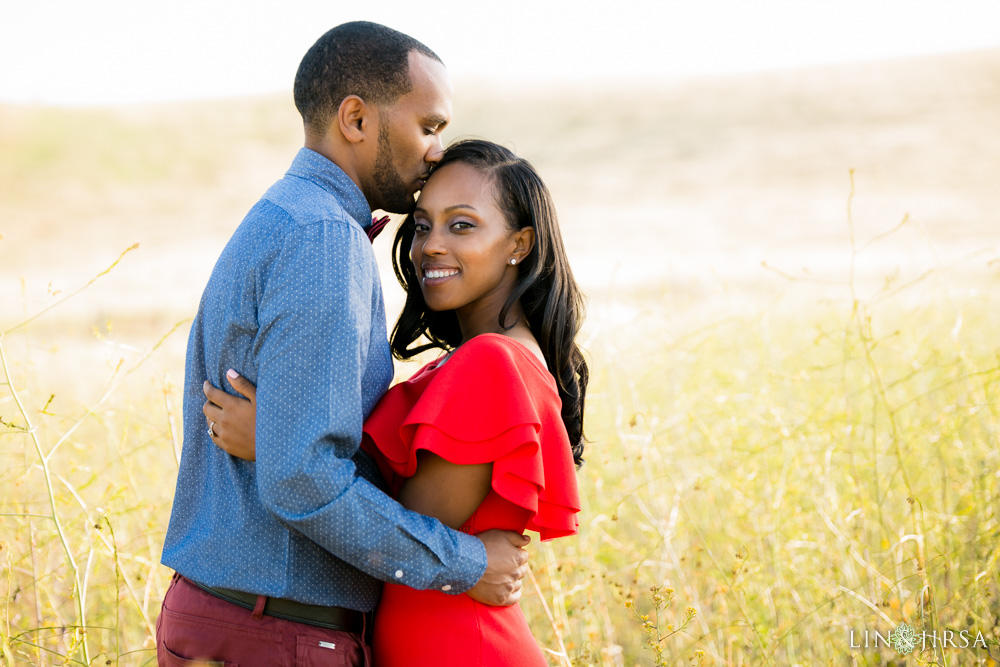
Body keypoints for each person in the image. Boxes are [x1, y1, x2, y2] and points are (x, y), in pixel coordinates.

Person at [157, 23, 530, 666]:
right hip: (275, 632)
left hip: (234, 618)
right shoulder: (323, 239)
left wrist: (275, 437)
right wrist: (468, 564)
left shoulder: (284, 215)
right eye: (429, 126)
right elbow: (302, 477)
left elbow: (294, 457)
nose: (437, 150)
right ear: (355, 118)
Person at [206, 139, 588, 665]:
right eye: (423, 225)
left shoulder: (492, 364)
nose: (429, 245)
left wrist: (278, 442)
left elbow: (404, 527)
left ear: (518, 244)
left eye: (461, 225)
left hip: (461, 646)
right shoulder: (475, 359)